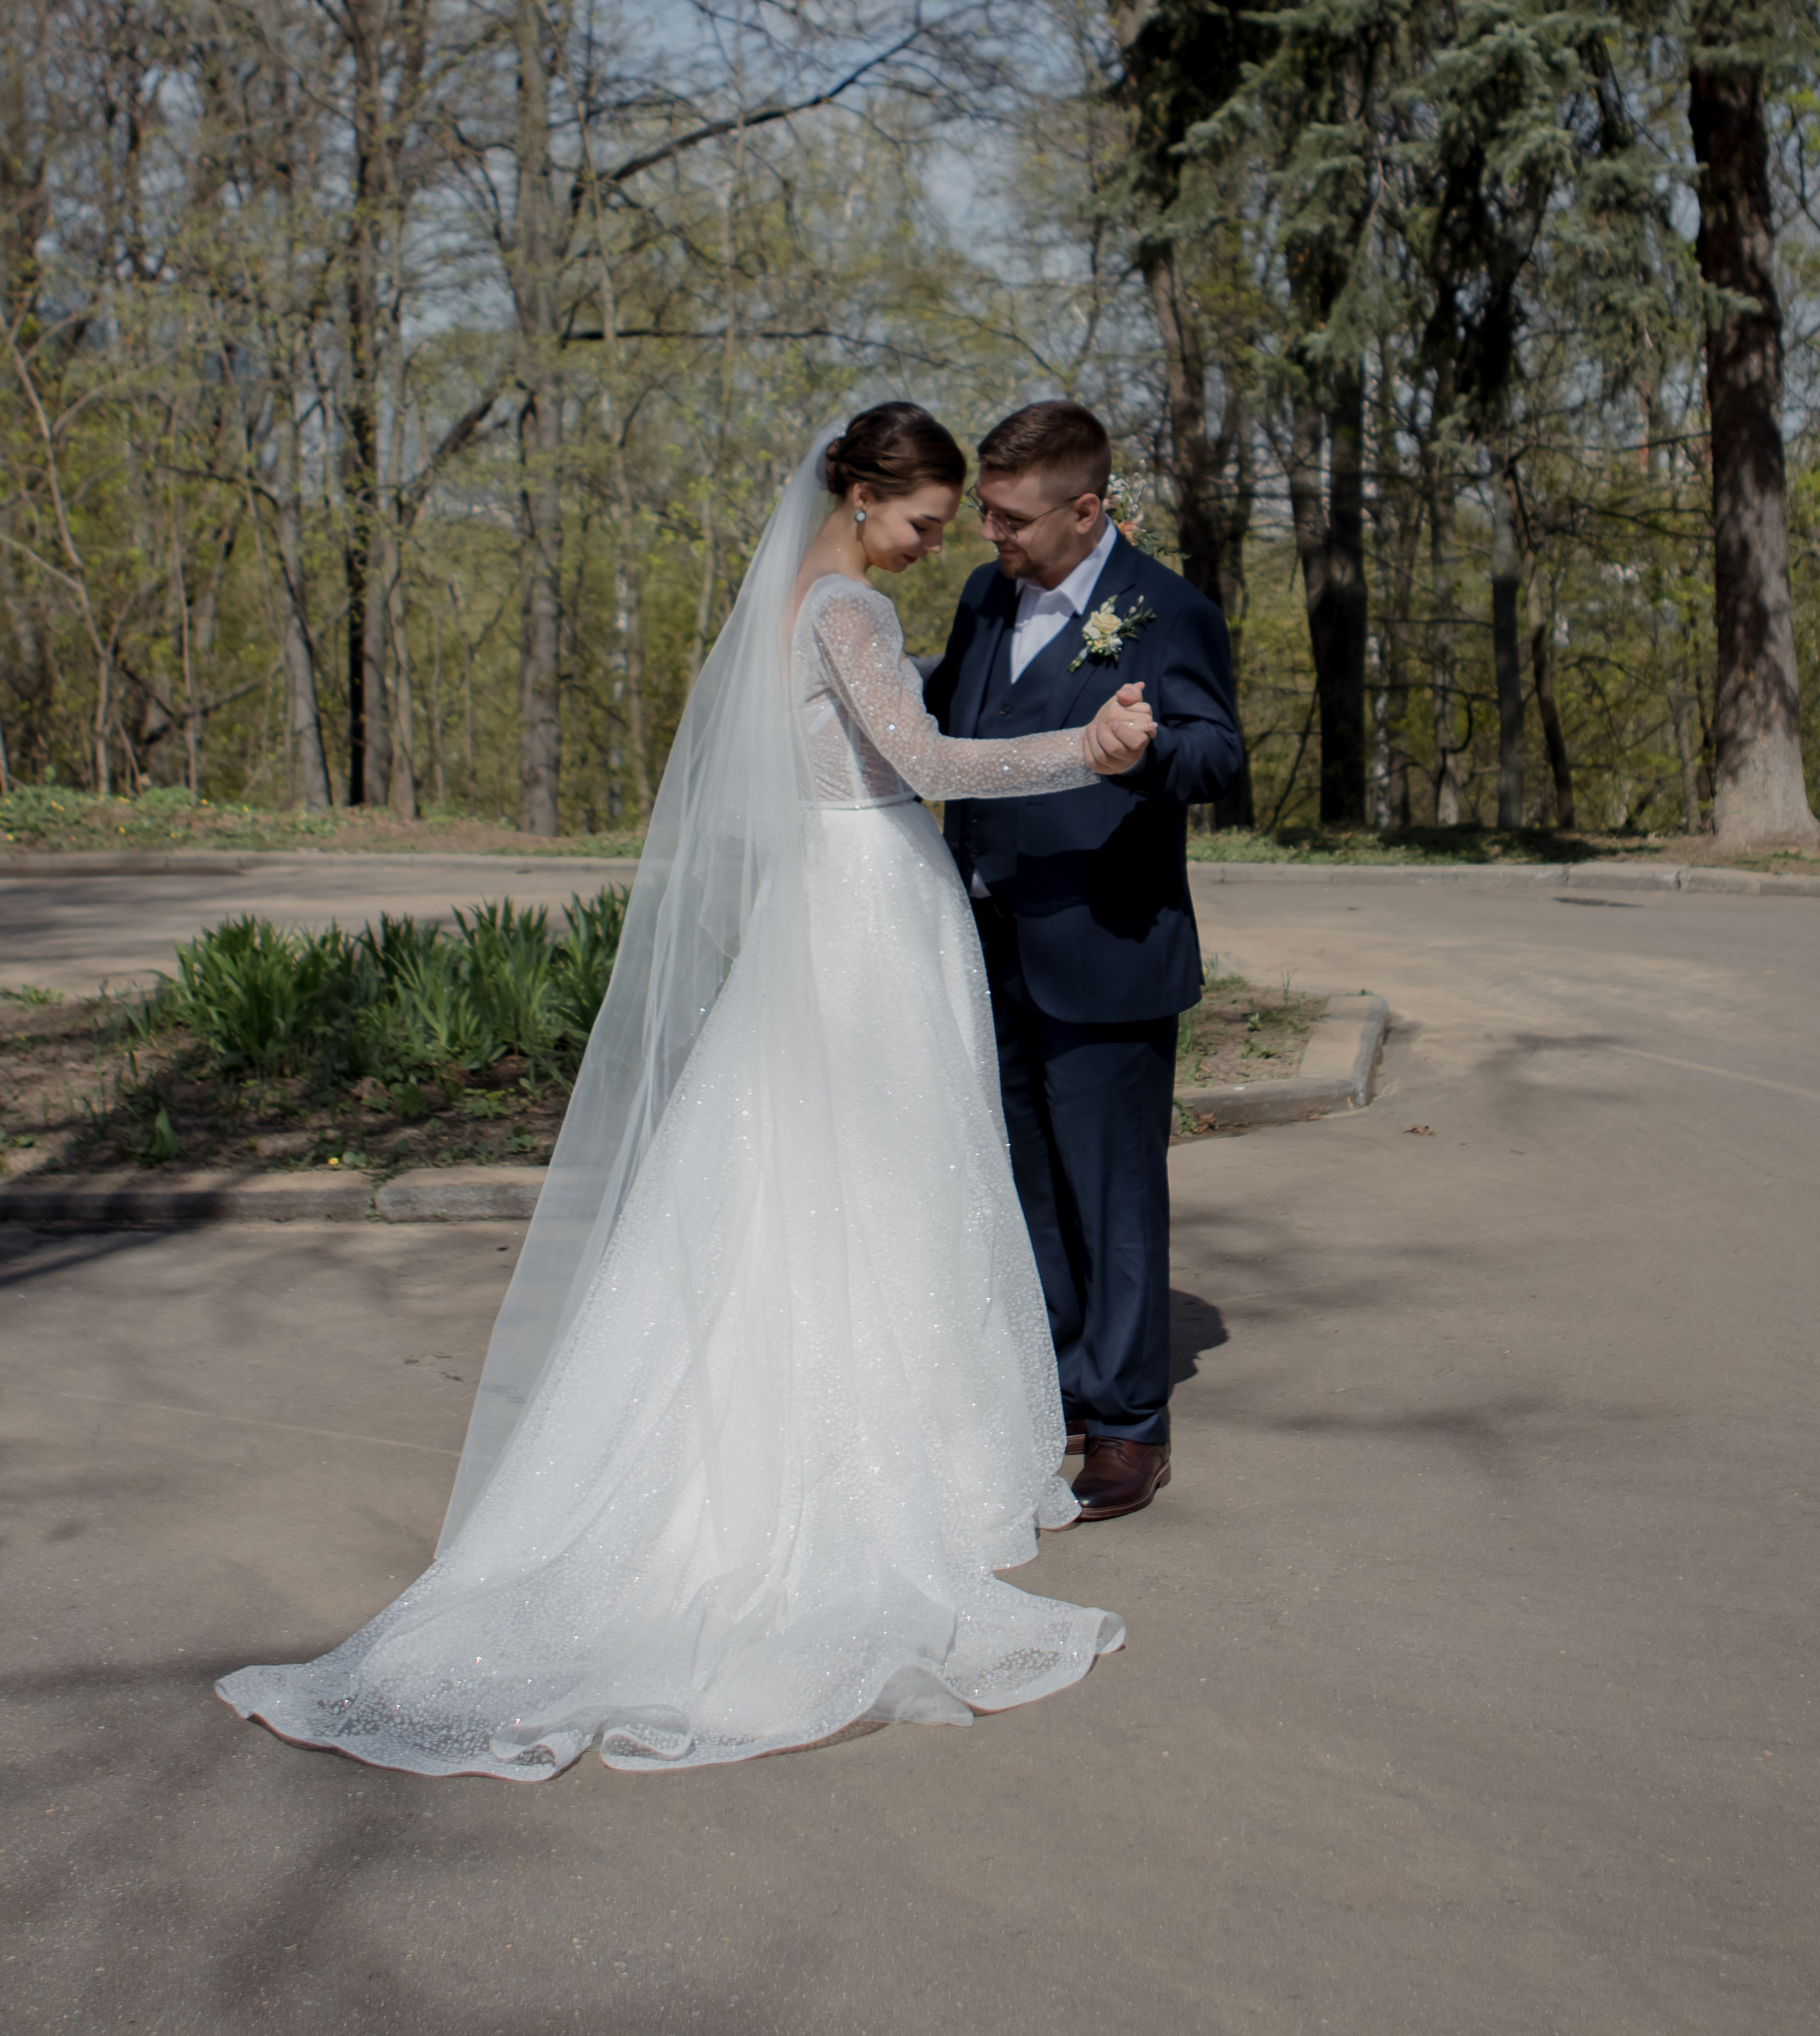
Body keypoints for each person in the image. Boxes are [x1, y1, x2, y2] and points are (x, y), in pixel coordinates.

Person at [217, 404, 1157, 1779]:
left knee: (817, 1187)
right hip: (864, 914)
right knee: (886, 1186)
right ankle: (888, 1464)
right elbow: (932, 768)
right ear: (857, 491)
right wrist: (1091, 744)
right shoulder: (845, 610)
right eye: (922, 522)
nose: (931, 547)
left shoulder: (787, 598)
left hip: (817, 919)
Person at [924, 402, 1243, 1522]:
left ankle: (1128, 1425)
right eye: (987, 515)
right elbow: (947, 713)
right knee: (1027, 1191)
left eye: (1011, 520)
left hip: (1105, 949)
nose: (991, 538)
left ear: (1086, 509)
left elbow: (1217, 754)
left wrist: (1144, 750)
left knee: (1111, 1201)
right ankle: (1059, 1384)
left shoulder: (1166, 610)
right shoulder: (983, 599)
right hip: (985, 942)